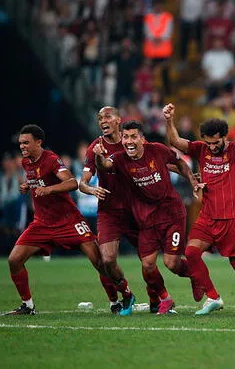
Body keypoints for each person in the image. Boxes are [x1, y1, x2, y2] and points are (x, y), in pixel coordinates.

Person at [93, 121, 202, 315]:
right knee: (147, 264)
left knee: (171, 263)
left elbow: (179, 163)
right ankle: (165, 299)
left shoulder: (158, 150)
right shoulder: (119, 159)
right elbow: (104, 164)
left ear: (142, 139)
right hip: (146, 220)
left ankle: (195, 275)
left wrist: (193, 180)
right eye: (125, 137)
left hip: (172, 214)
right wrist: (99, 156)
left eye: (133, 137)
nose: (129, 141)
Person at [6, 124, 116, 315]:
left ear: (38, 142)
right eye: (20, 143)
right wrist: (27, 186)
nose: (22, 146)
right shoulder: (26, 162)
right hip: (42, 223)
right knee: (14, 260)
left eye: (26, 142)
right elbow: (40, 181)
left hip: (68, 221)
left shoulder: (51, 159)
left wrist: (48, 189)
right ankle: (28, 305)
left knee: (98, 261)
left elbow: (72, 182)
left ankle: (116, 301)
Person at [164, 101, 235, 316]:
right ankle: (213, 296)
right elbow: (174, 141)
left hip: (233, 217)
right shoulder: (201, 149)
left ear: (224, 136)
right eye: (209, 143)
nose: (212, 147)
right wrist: (169, 120)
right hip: (208, 215)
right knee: (191, 252)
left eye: (216, 142)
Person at [80, 106, 164, 315]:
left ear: (118, 120)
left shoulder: (132, 142)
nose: (103, 120)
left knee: (148, 260)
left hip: (135, 209)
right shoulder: (95, 147)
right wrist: (91, 189)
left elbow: (159, 161)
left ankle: (157, 298)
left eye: (107, 116)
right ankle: (126, 293)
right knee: (107, 259)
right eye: (99, 118)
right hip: (109, 211)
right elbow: (82, 182)